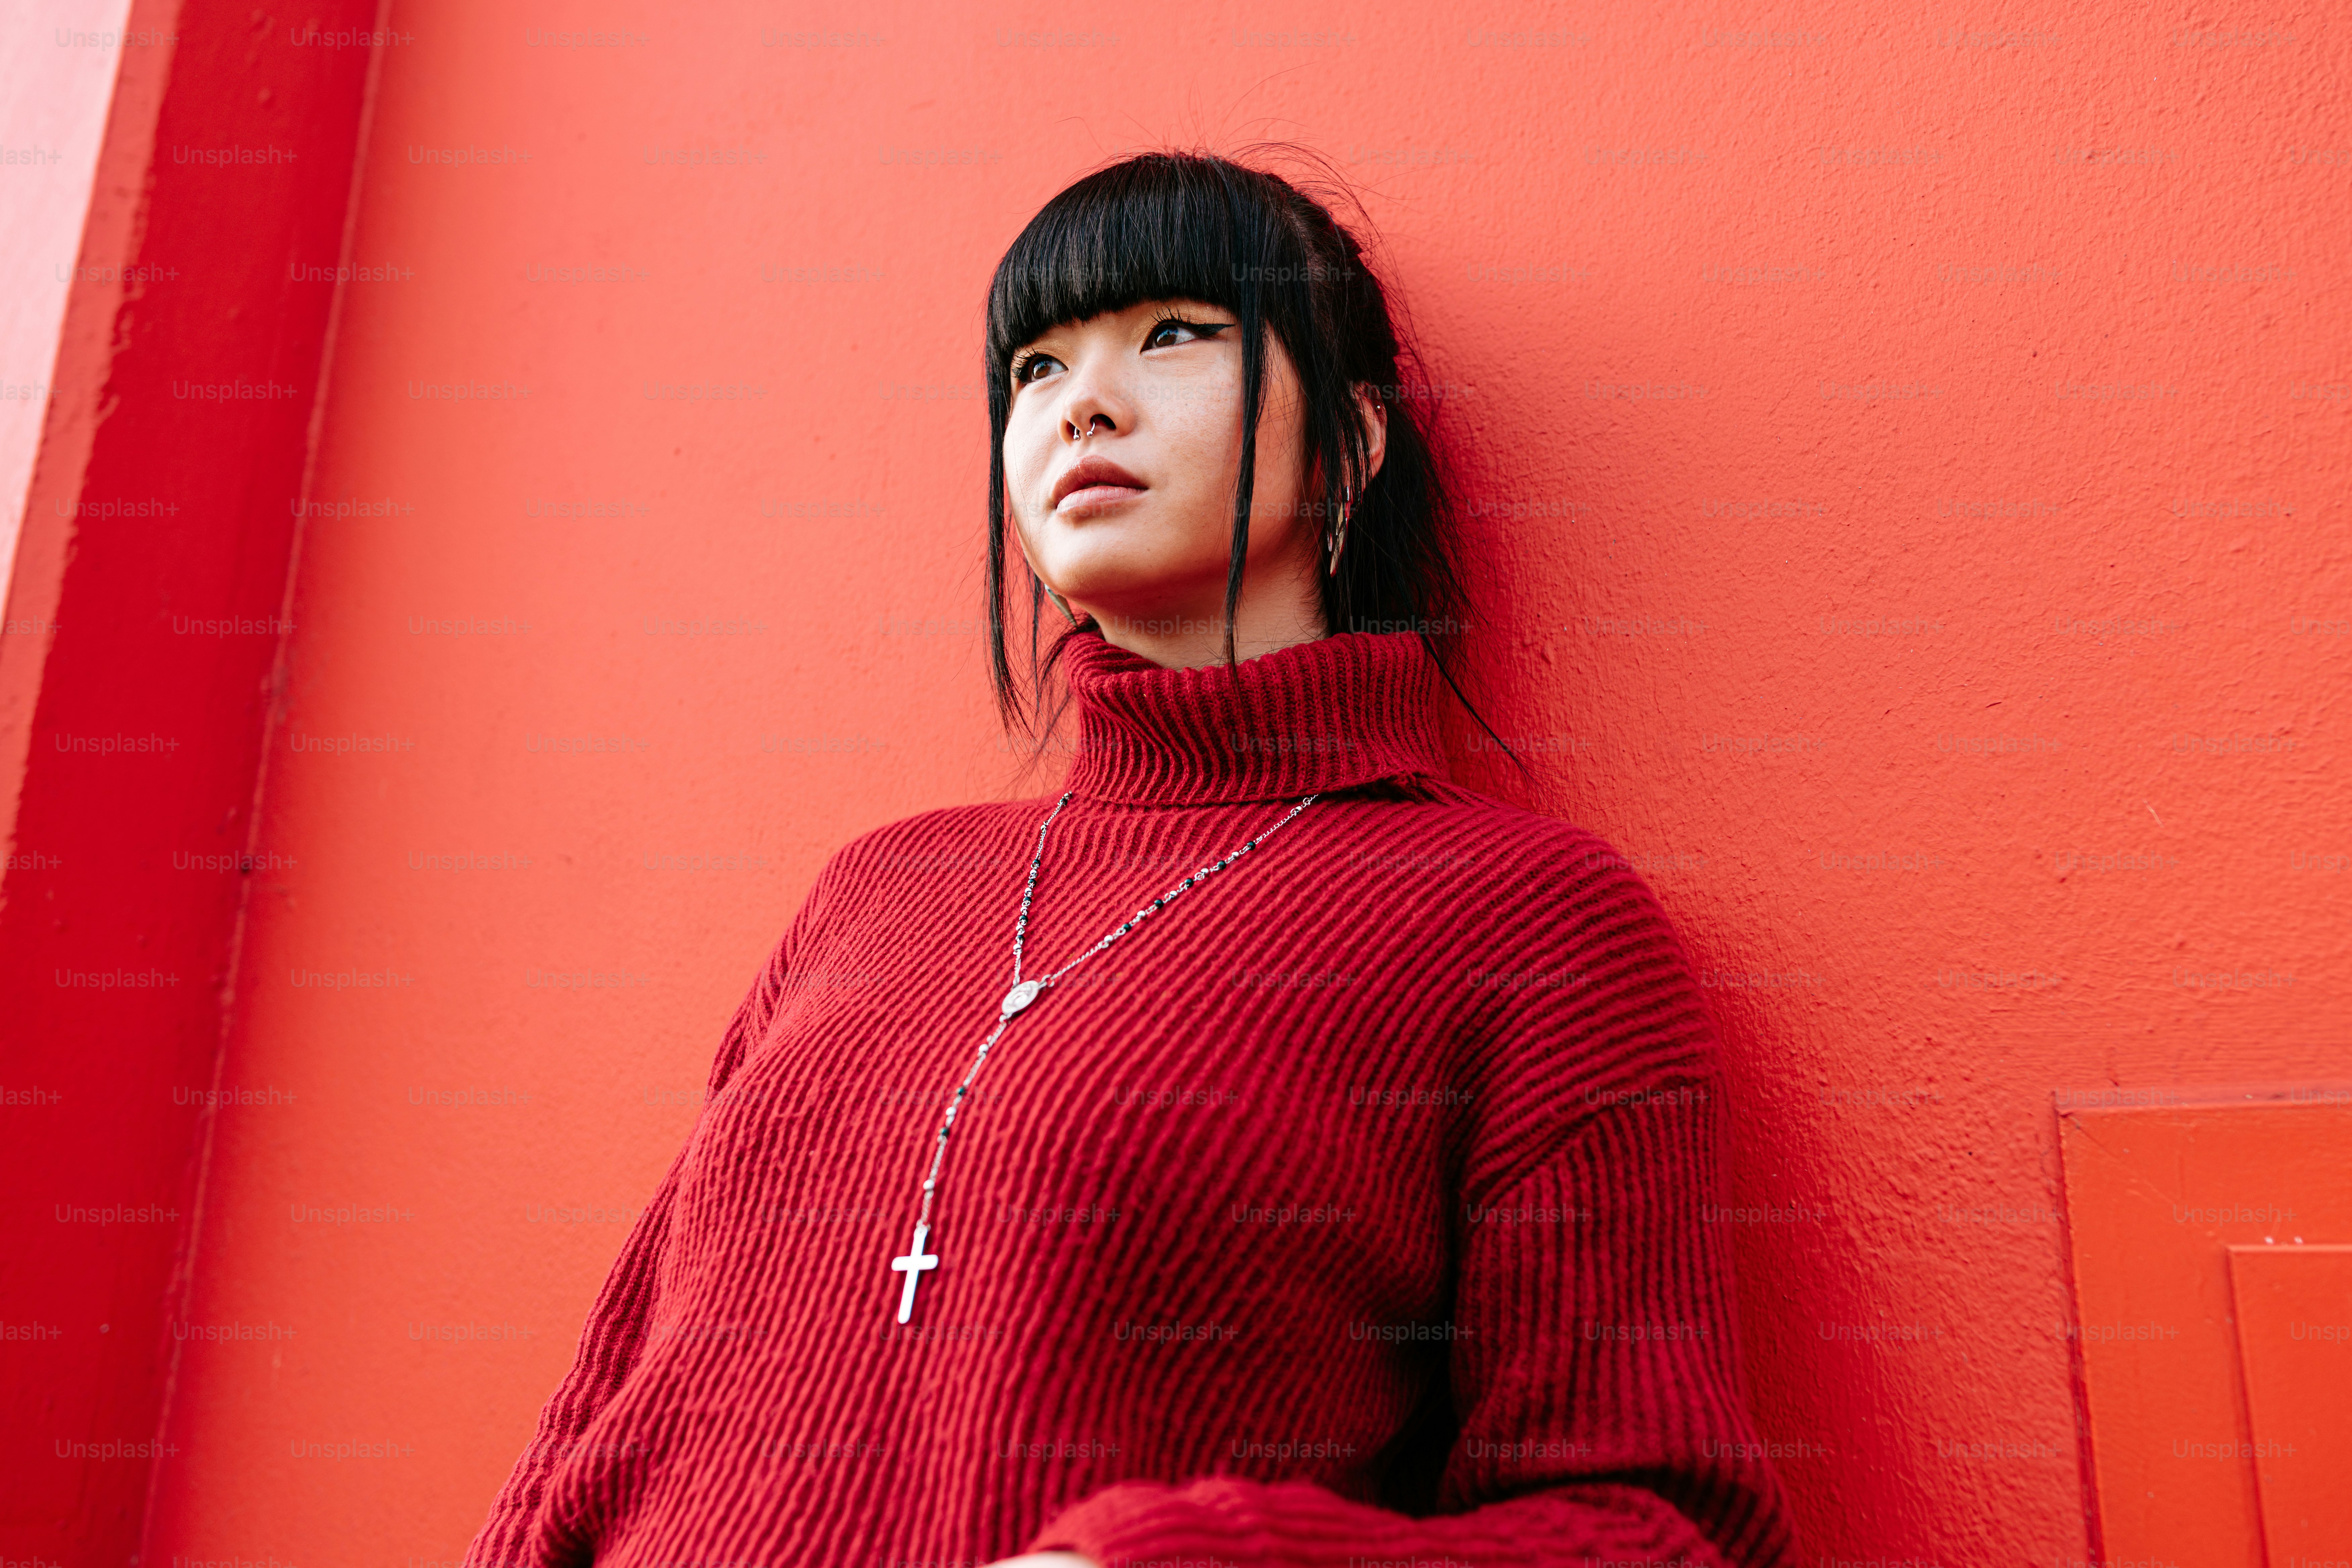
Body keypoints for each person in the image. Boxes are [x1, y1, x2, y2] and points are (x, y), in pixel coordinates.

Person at [462, 149, 1796, 1568]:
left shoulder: (1530, 925)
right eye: (1034, 368)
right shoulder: (877, 888)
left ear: (1352, 439)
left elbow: (1658, 1529)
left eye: (1174, 335)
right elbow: (595, 1426)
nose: (1080, 402)